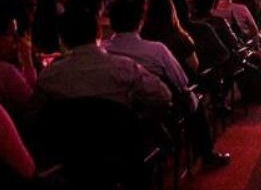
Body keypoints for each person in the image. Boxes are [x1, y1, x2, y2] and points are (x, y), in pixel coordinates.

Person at [104, 0, 230, 168]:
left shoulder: (103, 51)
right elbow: (181, 81)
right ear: (140, 20)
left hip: (115, 116)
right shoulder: (156, 50)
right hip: (159, 110)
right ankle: (206, 155)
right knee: (193, 101)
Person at [33, 6, 172, 113]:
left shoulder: (49, 76)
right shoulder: (125, 68)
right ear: (99, 32)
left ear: (62, 39)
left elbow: (33, 114)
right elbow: (164, 96)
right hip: (119, 146)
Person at [0, 0, 37, 113]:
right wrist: (28, 60)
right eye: (12, 35)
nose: (16, 41)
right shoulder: (3, 72)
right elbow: (33, 102)